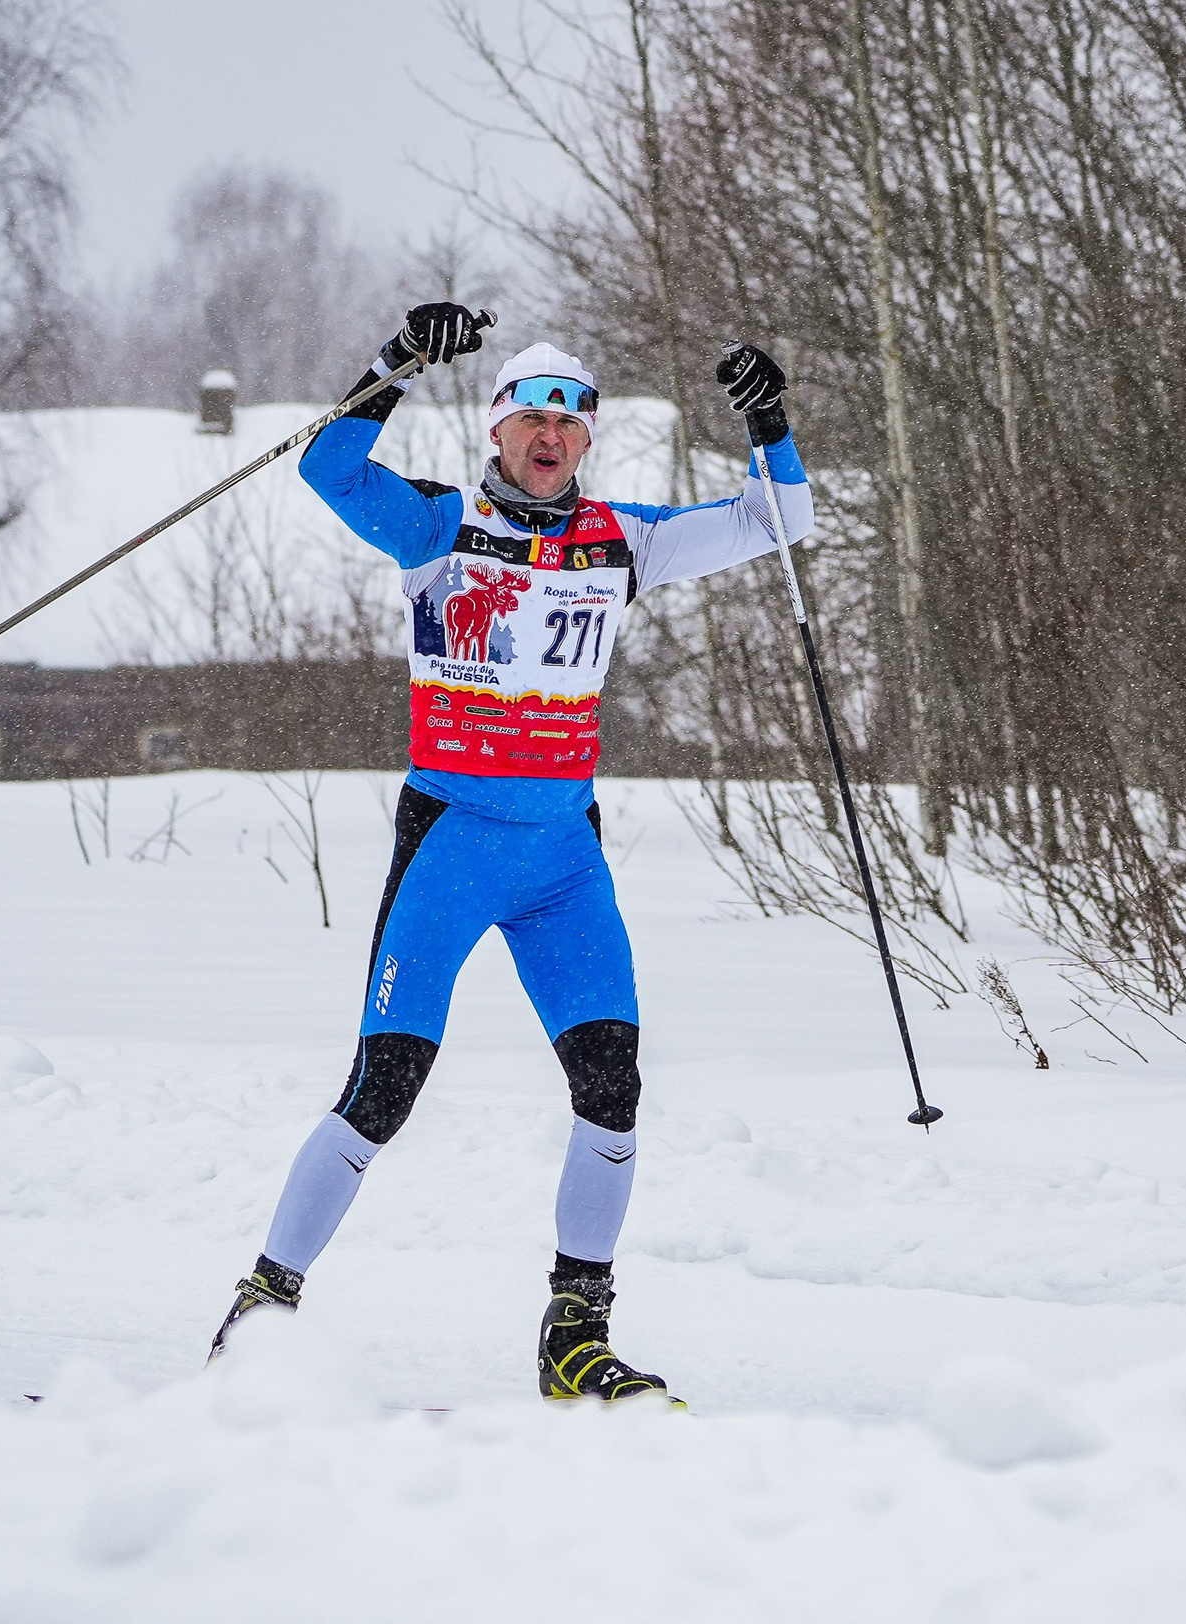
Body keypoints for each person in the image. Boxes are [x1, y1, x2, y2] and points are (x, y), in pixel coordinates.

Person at [206, 303, 810, 1408]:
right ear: (497, 431)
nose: (549, 436)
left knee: (612, 1085)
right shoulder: (441, 524)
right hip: (451, 842)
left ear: (586, 440)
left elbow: (779, 521)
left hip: (562, 861)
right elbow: (330, 466)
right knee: (384, 1086)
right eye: (529, 418)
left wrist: (769, 424)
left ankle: (575, 1330)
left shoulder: (623, 540)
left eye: (568, 423)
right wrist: (396, 362)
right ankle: (263, 1309)